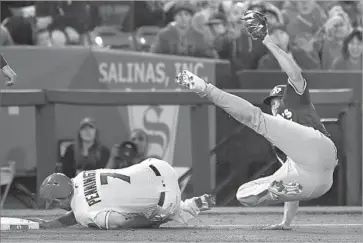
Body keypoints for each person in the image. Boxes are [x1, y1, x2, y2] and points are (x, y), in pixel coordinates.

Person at [175, 10, 337, 230]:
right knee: (245, 194)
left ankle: (205, 89)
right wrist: (286, 222)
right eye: (271, 102)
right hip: (317, 183)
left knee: (254, 118)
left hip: (319, 147)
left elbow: (296, 75)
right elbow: (292, 169)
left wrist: (267, 41)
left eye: (278, 99)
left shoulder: (298, 100)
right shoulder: (278, 136)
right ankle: (283, 194)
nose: (275, 104)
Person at [34, 158, 214, 229]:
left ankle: (185, 209)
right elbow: (80, 207)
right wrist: (51, 224)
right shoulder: (82, 177)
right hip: (160, 166)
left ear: (58, 200)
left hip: (166, 201)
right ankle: (192, 205)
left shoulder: (82, 213)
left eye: (54, 203)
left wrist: (150, 223)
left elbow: (118, 222)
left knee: (152, 216)